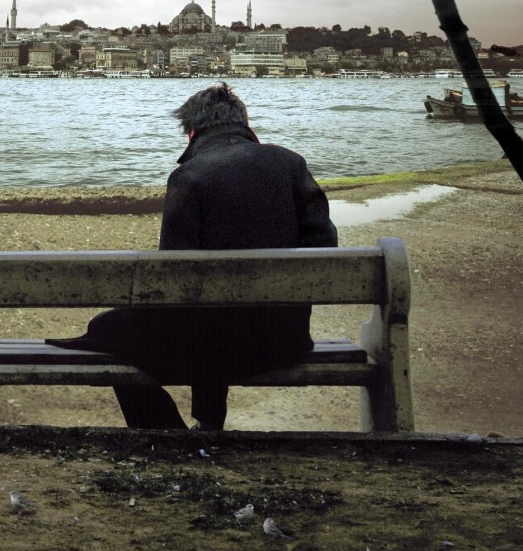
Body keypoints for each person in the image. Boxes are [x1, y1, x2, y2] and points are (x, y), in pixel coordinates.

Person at [47, 82, 337, 430]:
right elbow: (323, 245)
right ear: (246, 124)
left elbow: (174, 276)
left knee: (105, 329)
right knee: (213, 316)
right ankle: (209, 422)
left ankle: (166, 431)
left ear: (192, 132)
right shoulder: (291, 164)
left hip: (212, 347)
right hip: (284, 342)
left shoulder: (189, 176)